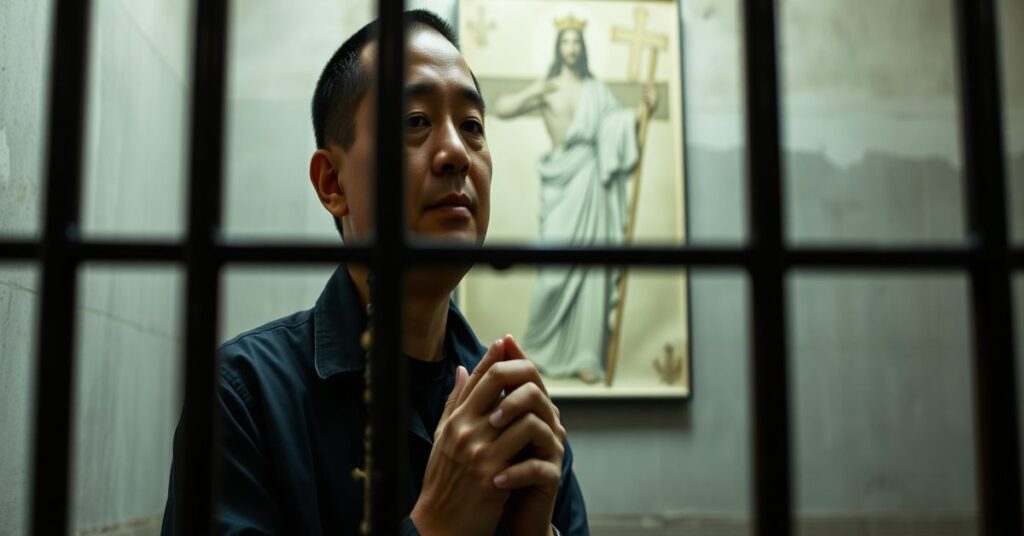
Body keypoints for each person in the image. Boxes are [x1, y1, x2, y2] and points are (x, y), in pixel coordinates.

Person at [160, 10, 588, 535]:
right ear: (332, 182)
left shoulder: (517, 411)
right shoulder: (243, 397)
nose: (456, 151)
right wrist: (434, 527)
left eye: (472, 126)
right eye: (415, 121)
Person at [493, 16, 657, 385]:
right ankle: (534, 347)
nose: (571, 48)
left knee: (590, 268)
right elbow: (500, 108)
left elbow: (617, 123)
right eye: (565, 42)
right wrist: (535, 91)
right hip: (563, 183)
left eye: (576, 43)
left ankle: (586, 354)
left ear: (582, 49)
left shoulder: (596, 90)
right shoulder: (547, 88)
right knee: (553, 273)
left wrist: (644, 109)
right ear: (558, 47)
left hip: (592, 180)